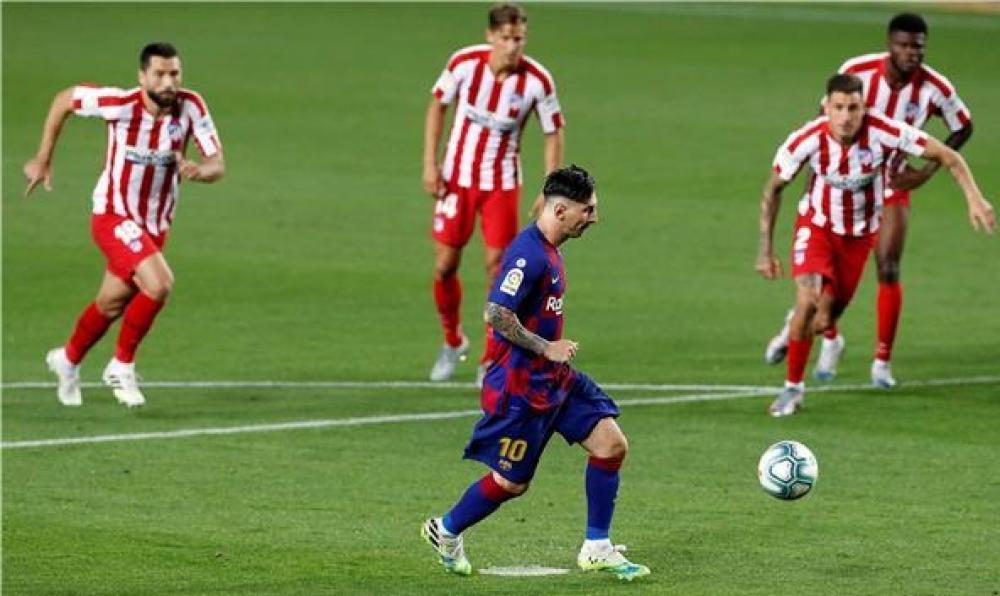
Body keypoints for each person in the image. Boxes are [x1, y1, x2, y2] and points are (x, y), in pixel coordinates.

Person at [420, 166, 649, 581]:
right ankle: (447, 529)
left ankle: (597, 547)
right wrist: (546, 347)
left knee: (611, 446)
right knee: (511, 484)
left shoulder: (549, 248)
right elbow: (495, 312)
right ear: (560, 211)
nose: (594, 218)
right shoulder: (530, 256)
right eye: (588, 210)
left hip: (554, 380)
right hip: (521, 390)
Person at [756, 74, 993, 418]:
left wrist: (975, 198)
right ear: (826, 107)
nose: (846, 117)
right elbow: (773, 190)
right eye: (838, 107)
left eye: (853, 108)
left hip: (858, 237)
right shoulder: (805, 140)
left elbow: (948, 156)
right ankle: (792, 389)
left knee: (822, 321)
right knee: (808, 300)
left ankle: (793, 327)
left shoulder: (884, 132)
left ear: (864, 108)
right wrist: (765, 250)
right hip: (816, 227)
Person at [24, 42, 225, 407]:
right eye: (159, 74)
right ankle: (121, 365)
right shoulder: (118, 104)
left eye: (174, 73)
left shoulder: (191, 106)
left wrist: (200, 171)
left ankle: (67, 359)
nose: (168, 82)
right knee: (160, 284)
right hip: (113, 214)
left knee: (111, 304)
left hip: (154, 226)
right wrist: (43, 158)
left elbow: (217, 164)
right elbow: (64, 100)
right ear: (142, 76)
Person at [424, 2, 565, 384]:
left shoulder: (537, 80)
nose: (513, 46)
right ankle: (453, 340)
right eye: (505, 38)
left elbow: (553, 130)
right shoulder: (463, 64)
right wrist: (430, 163)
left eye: (519, 38)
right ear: (490, 36)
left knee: (497, 270)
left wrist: (550, 187)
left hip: (501, 185)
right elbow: (438, 105)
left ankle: (490, 357)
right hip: (456, 179)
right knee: (444, 265)